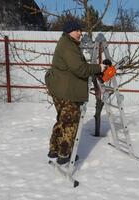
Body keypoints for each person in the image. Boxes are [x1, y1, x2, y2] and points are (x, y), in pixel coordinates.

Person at [45, 20, 105, 165]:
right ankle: (65, 155)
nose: (80, 33)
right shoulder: (68, 46)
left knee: (62, 120)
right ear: (68, 31)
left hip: (60, 89)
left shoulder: (66, 43)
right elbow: (80, 69)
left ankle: (54, 149)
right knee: (70, 123)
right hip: (67, 92)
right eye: (76, 30)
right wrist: (99, 68)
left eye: (80, 30)